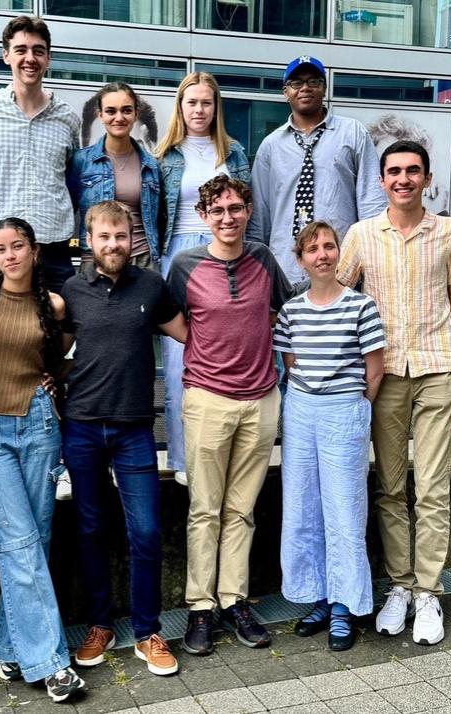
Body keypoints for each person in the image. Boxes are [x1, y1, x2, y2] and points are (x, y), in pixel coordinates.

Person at [337, 139, 451, 646]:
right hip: (384, 377)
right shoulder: (360, 235)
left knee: (434, 488)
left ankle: (428, 594)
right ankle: (399, 586)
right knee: (391, 488)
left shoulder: (450, 232)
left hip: (439, 370)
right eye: (394, 171)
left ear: (426, 178)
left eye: (412, 171)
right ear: (381, 180)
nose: (403, 179)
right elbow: (337, 300)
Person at [166, 175, 292, 657]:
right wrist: (201, 347)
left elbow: (283, 310)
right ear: (203, 216)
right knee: (205, 509)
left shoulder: (262, 258)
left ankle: (234, 600)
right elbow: (167, 315)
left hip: (261, 399)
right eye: (217, 210)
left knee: (242, 510)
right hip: (207, 400)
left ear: (247, 211)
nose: (227, 217)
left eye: (236, 208)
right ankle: (200, 608)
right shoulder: (185, 264)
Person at [0, 218, 85, 703]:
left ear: (35, 251)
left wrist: (54, 381)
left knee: (36, 538)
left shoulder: (53, 305)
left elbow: (63, 356)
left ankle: (9, 645)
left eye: (18, 247)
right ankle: (51, 662)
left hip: (39, 423)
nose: (10, 255)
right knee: (17, 540)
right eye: (1, 248)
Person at [61, 200, 187, 677]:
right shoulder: (72, 290)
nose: (112, 244)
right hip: (84, 427)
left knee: (147, 532)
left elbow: (190, 335)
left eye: (120, 236)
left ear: (132, 239)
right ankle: (100, 624)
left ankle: (147, 630)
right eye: (103, 237)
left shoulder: (152, 285)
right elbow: (56, 349)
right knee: (91, 530)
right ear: (89, 241)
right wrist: (52, 379)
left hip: (135, 429)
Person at [273, 220, 386, 652]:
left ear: (339, 252)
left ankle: (345, 604)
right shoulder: (292, 311)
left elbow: (373, 370)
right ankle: (317, 595)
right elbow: (291, 364)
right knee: (303, 506)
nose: (322, 254)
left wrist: (355, 407)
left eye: (328, 246)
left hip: (344, 410)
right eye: (312, 249)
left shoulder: (361, 307)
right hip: (302, 411)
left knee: (344, 509)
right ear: (300, 259)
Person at [154, 71, 251, 487]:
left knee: (227, 352)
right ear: (181, 107)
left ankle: (225, 454)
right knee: (180, 359)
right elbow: (156, 216)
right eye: (191, 102)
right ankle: (183, 458)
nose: (199, 110)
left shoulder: (235, 152)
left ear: (216, 107)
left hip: (228, 254)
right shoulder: (165, 156)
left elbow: (248, 210)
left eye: (206, 103)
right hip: (180, 255)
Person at [247, 55, 386, 285]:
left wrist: (372, 262)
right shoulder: (270, 147)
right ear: (285, 92)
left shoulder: (352, 133)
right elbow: (259, 219)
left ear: (324, 88)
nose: (305, 88)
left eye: (313, 81)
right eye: (296, 83)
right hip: (285, 269)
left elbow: (371, 203)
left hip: (342, 267)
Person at [0, 15, 81, 293]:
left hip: (53, 246)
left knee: (57, 329)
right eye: (21, 50)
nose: (30, 58)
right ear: (6, 55)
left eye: (38, 51)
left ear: (48, 58)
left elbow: (72, 178)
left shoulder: (67, 117)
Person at [68, 82, 162, 273]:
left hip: (142, 260)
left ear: (136, 113)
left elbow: (160, 218)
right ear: (100, 115)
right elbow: (67, 213)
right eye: (111, 111)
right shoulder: (82, 161)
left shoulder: (152, 165)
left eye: (126, 110)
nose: (119, 117)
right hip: (96, 261)